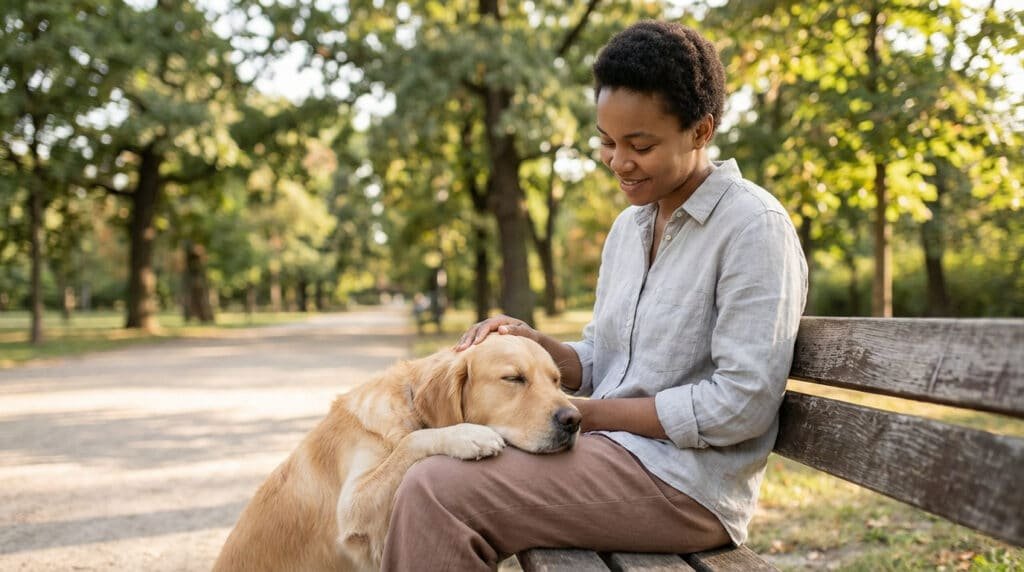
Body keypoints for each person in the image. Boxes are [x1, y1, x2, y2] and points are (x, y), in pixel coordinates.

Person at [381, 20, 807, 571]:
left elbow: (742, 404)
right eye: (607, 141)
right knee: (434, 464)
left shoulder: (753, 227)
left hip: (685, 485)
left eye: (640, 145)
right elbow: (604, 359)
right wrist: (534, 345)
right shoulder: (629, 230)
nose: (618, 161)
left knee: (437, 488)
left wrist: (589, 413)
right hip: (608, 458)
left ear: (701, 131)